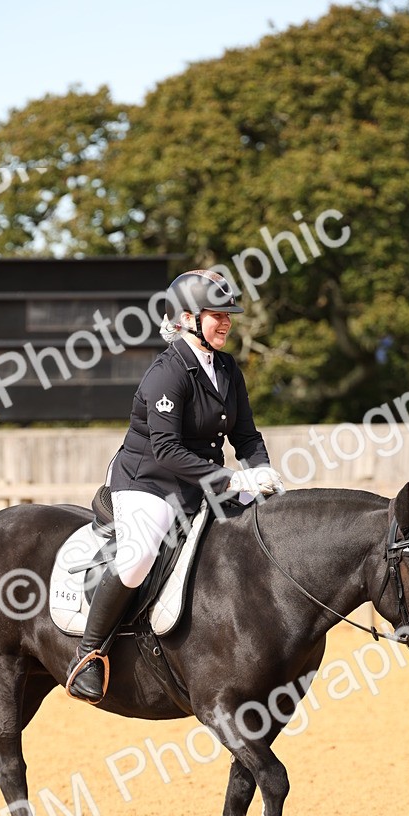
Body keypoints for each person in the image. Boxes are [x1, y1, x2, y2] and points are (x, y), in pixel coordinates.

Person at [65, 269, 283, 703]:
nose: (225, 322)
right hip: (148, 483)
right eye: (215, 314)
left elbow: (246, 436)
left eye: (228, 315)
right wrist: (231, 478)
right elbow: (165, 449)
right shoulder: (168, 373)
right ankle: (89, 654)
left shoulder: (225, 367)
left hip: (202, 482)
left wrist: (262, 472)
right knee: (138, 555)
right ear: (186, 318)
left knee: (262, 529)